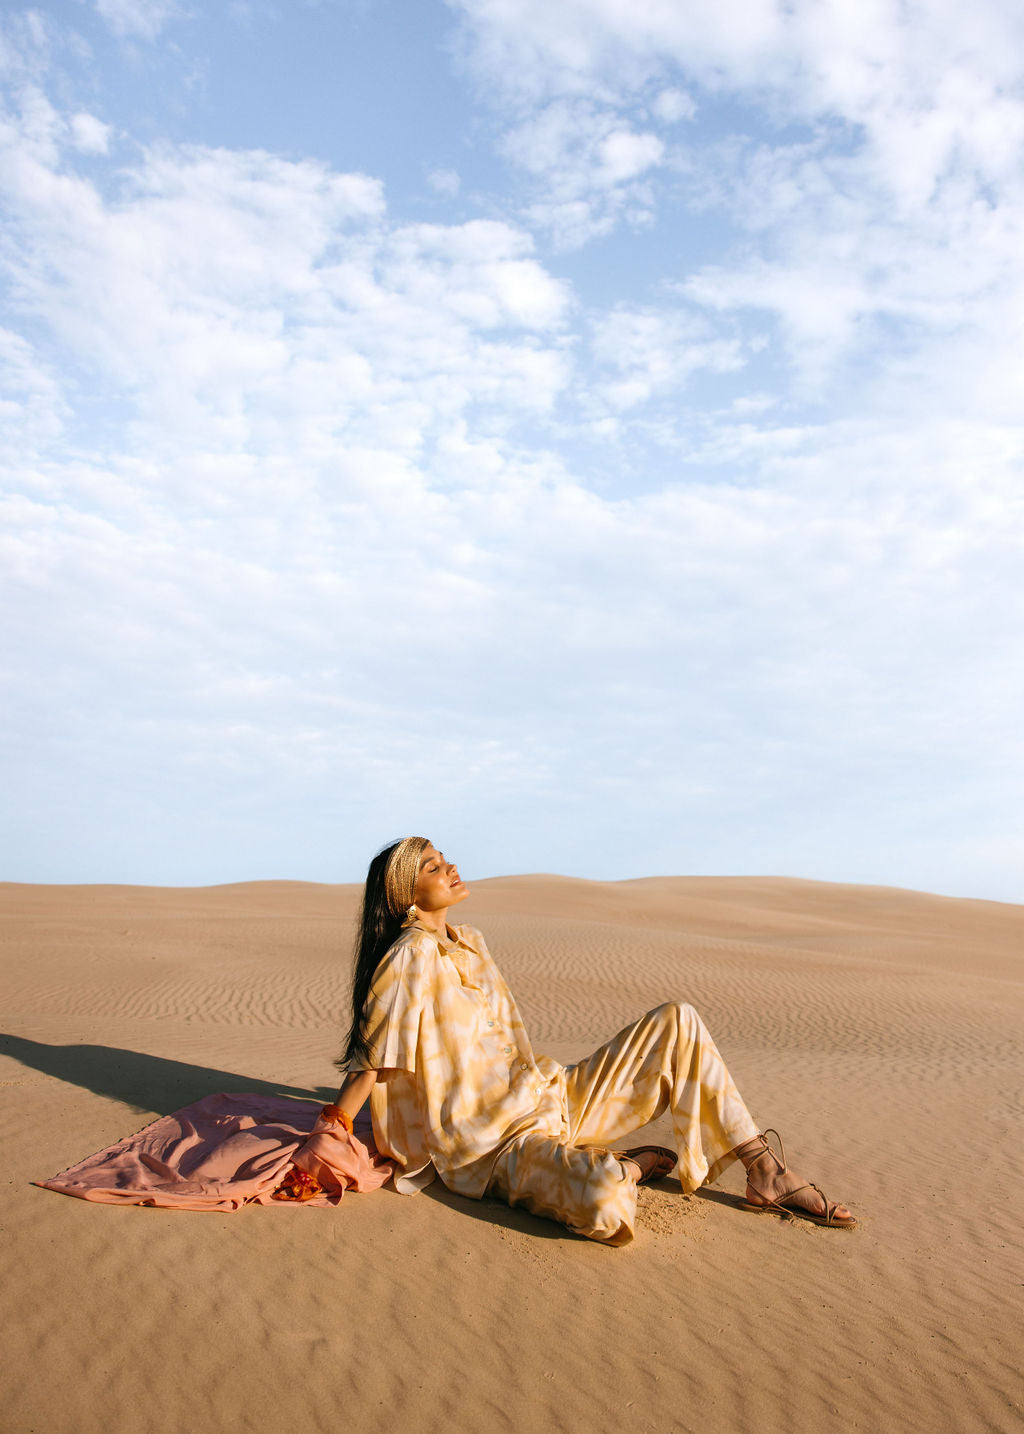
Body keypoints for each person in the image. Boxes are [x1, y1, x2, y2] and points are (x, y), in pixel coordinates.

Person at [323, 837, 855, 1245]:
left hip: (551, 1098)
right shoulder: (409, 956)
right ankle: (625, 1166)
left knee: (679, 1020)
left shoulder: (473, 941)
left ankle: (765, 1171)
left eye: (445, 858)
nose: (451, 868)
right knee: (604, 1201)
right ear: (404, 894)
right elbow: (374, 1058)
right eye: (433, 868)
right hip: (496, 1147)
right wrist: (330, 1134)